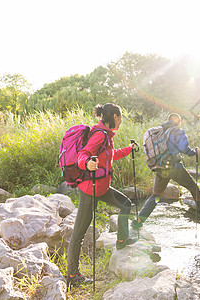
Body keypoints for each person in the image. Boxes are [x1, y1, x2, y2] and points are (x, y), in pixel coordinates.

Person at [67, 103, 137, 287]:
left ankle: (122, 239)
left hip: (102, 188)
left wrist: (129, 149)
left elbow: (111, 154)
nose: (121, 121)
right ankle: (73, 276)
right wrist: (87, 163)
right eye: (120, 117)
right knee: (79, 234)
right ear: (114, 116)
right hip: (90, 189)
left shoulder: (107, 136)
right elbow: (84, 153)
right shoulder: (100, 135)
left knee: (126, 204)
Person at [132, 113, 200, 230]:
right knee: (192, 186)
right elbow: (184, 148)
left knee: (155, 196)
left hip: (160, 167)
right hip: (174, 167)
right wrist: (195, 152)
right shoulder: (177, 131)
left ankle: (138, 220)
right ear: (176, 120)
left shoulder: (160, 132)